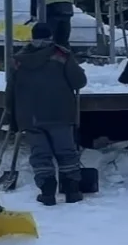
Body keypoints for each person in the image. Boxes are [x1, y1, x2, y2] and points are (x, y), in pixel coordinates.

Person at [7, 21, 89, 205]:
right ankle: (72, 191)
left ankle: (47, 192)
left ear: (32, 37)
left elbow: (10, 90)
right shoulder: (61, 55)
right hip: (59, 113)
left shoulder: (19, 60)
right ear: (51, 36)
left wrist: (13, 118)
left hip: (30, 116)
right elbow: (79, 81)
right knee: (66, 152)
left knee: (40, 155)